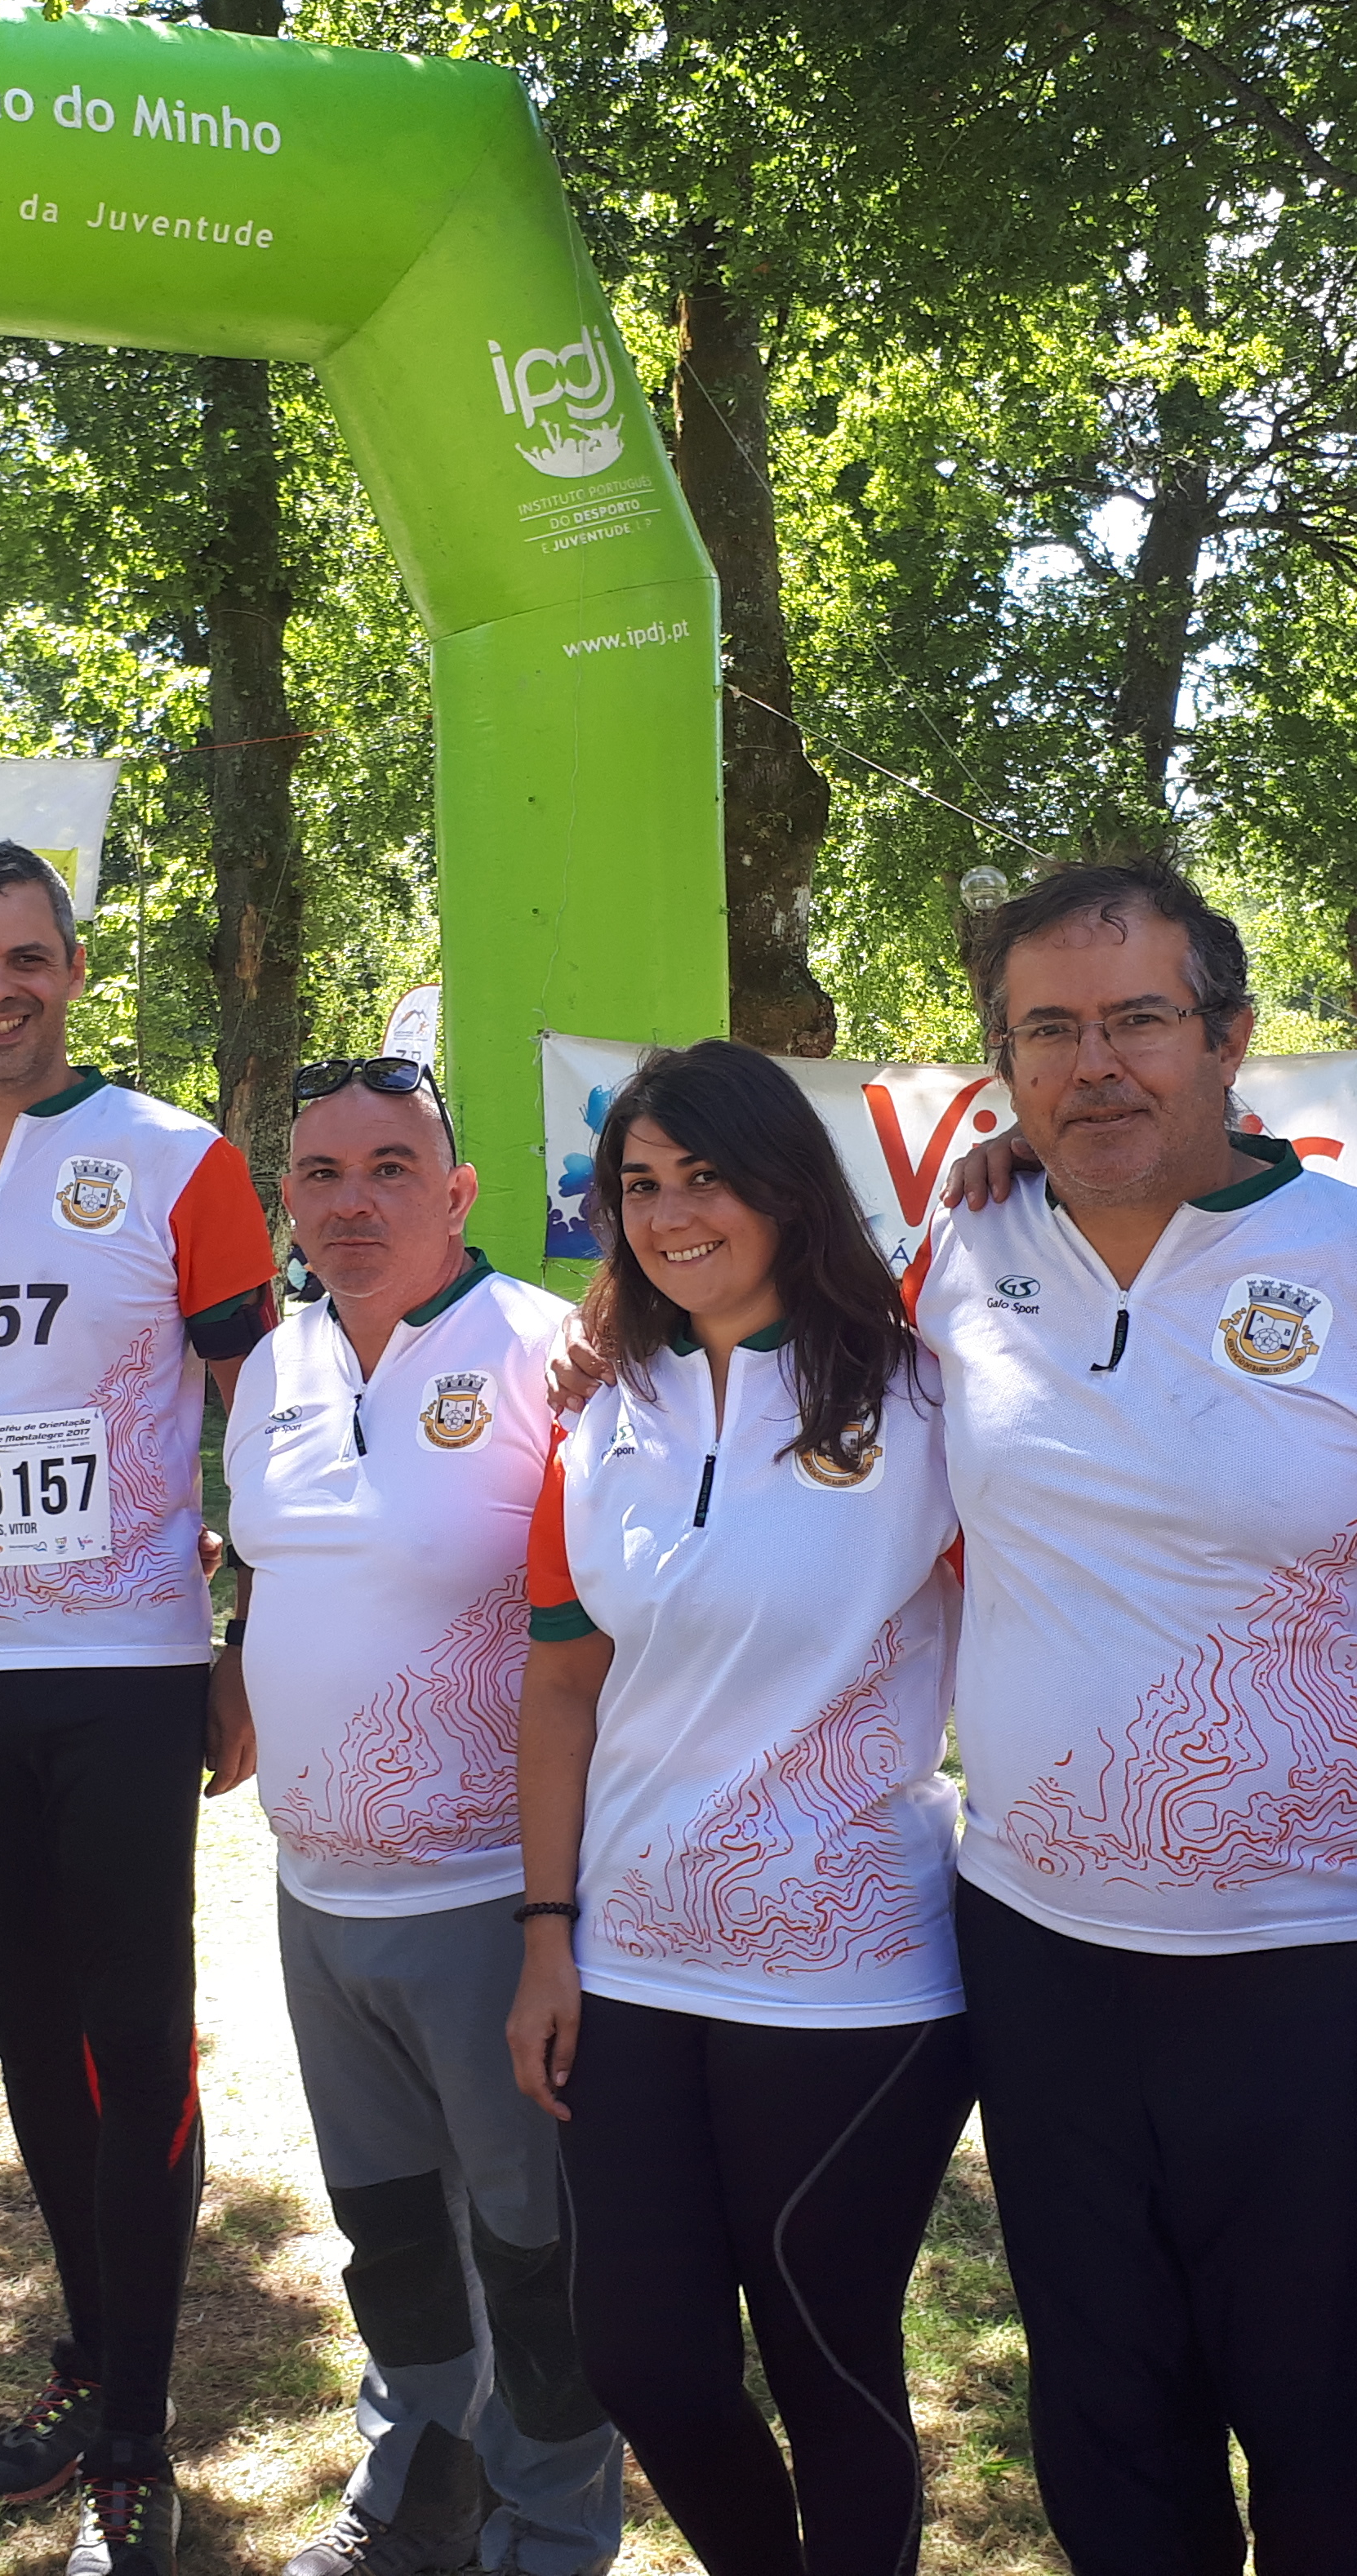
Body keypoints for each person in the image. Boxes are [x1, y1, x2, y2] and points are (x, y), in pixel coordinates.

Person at [923, 861, 1357, 2575]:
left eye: (1137, 1022)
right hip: (1037, 1943)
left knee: (1329, 2434)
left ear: (1230, 1037)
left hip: (1310, 1963)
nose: (1093, 1065)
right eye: (1049, 1031)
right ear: (1004, 1061)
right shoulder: (959, 1254)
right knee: (1108, 2432)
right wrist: (605, 1341)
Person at [0, 840, 277, 2569]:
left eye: (25, 957)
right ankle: (94, 2366)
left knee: (133, 2030)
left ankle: (134, 2441)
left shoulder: (183, 1160)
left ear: (76, 969)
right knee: (27, 2028)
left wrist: (246, 1642)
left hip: (125, 1661)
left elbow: (257, 1418)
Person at [509, 1039, 972, 2576]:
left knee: (830, 2356)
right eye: (638, 1185)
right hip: (629, 1964)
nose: (667, 1214)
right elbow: (563, 1690)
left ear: (783, 1183)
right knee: (642, 2358)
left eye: (703, 1176)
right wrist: (544, 1935)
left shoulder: (925, 1395)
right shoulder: (595, 1417)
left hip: (851, 1977)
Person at [224, 1056, 620, 2576]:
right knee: (387, 2233)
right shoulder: (276, 1362)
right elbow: (279, 1563)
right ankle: (421, 2480)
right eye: (319, 1173)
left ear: (455, 1194)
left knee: (531, 2254)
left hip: (488, 1894)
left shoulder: (551, 1350)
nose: (351, 1200)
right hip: (315, 1893)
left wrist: (557, 1916)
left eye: (390, 1167)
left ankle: (550, 2526)